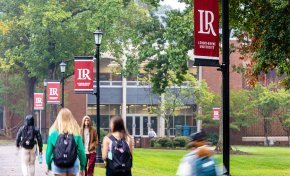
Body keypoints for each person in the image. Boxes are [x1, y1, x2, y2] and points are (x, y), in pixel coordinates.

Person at [46, 108, 86, 176]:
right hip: (73, 164)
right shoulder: (76, 133)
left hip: (58, 165)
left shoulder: (53, 133)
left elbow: (48, 153)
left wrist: (49, 166)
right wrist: (82, 167)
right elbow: (81, 151)